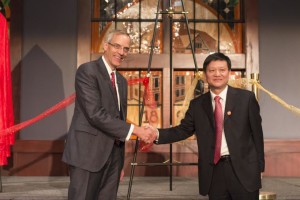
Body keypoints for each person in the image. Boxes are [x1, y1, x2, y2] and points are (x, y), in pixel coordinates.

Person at [150, 52, 265, 200]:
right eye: (212, 70)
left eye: (222, 70)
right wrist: (156, 134)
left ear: (229, 72)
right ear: (205, 74)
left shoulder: (246, 98)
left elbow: (257, 134)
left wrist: (260, 167)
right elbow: (183, 130)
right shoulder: (197, 104)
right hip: (214, 171)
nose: (217, 74)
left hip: (244, 170)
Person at [62, 30, 155, 200]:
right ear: (105, 46)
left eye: (125, 49)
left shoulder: (122, 81)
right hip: (87, 155)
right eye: (117, 46)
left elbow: (117, 120)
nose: (121, 52)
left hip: (113, 158)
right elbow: (95, 114)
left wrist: (119, 162)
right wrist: (136, 130)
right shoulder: (87, 71)